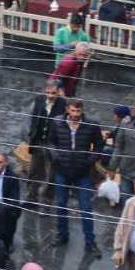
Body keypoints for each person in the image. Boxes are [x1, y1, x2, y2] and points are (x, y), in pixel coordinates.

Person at [50, 98, 106, 255]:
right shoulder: (57, 122)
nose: (75, 114)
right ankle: (62, 235)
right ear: (67, 109)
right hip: (62, 170)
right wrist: (56, 157)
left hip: (82, 172)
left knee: (86, 208)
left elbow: (99, 146)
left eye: (78, 111)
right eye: (73, 111)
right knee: (61, 204)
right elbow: (51, 142)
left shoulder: (91, 125)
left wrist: (88, 161)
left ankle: (90, 241)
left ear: (82, 110)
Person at [25, 76, 66, 211]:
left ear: (58, 92)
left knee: (52, 175)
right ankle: (31, 198)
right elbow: (33, 119)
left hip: (54, 145)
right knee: (33, 171)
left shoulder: (63, 105)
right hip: (38, 141)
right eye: (48, 92)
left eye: (53, 93)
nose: (50, 95)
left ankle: (47, 202)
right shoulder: (40, 100)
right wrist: (32, 135)